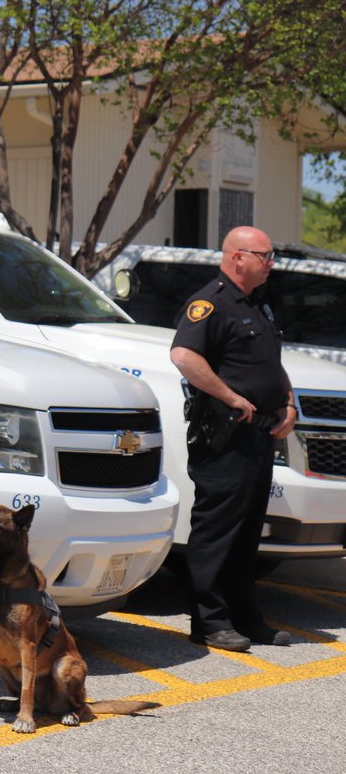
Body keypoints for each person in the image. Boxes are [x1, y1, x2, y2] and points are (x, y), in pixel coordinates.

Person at [170, 226, 296, 653]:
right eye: (266, 255)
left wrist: (290, 404)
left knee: (246, 534)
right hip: (224, 438)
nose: (272, 263)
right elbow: (183, 356)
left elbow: (270, 363)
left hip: (259, 438)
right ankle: (209, 622)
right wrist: (228, 396)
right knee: (216, 530)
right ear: (238, 257)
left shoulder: (258, 303)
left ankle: (245, 617)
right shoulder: (212, 302)